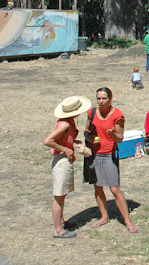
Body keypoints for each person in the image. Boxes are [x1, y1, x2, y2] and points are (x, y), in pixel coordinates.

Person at [84, 87, 138, 233]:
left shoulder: (117, 115)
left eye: (104, 99)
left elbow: (120, 139)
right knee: (97, 186)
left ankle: (127, 221)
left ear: (110, 99)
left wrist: (112, 135)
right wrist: (90, 139)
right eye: (99, 98)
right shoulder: (92, 113)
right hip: (94, 154)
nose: (101, 102)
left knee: (114, 189)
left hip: (109, 154)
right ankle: (104, 216)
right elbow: (86, 131)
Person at [44, 95, 91, 238]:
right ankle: (58, 230)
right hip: (61, 160)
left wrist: (72, 142)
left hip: (65, 160)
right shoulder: (64, 124)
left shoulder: (69, 122)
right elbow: (48, 141)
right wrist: (65, 149)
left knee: (62, 194)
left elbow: (63, 138)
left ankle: (62, 222)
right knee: (59, 196)